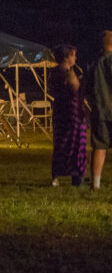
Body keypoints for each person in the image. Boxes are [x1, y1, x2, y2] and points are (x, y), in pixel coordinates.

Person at [49, 45, 87, 187]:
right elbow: (76, 88)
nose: (75, 58)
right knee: (76, 142)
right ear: (67, 56)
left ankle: (55, 175)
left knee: (60, 142)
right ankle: (77, 175)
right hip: (72, 111)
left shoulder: (54, 73)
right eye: (73, 55)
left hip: (60, 110)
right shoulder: (68, 72)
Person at [86, 30, 112, 190]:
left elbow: (86, 89)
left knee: (100, 147)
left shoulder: (94, 64)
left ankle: (95, 184)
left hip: (100, 111)